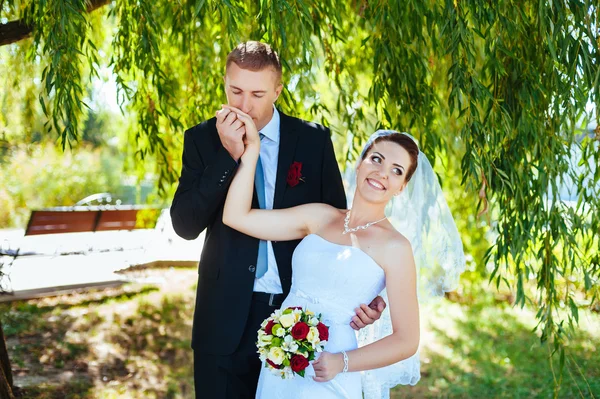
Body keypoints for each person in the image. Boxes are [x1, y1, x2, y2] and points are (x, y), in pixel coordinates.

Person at [170, 41, 385, 399]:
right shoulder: (201, 139)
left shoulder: (314, 142)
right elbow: (185, 225)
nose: (243, 105)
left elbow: (339, 233)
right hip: (221, 320)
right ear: (224, 83)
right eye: (234, 91)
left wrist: (368, 298)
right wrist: (228, 157)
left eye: (257, 94)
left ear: (278, 90)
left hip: (301, 321)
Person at [222, 106, 465, 398]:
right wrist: (250, 154)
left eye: (396, 171)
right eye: (376, 159)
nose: (382, 173)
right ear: (360, 163)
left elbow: (407, 340)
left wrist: (342, 362)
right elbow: (236, 216)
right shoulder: (320, 216)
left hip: (331, 371)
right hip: (280, 360)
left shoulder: (396, 247)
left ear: (401, 187)